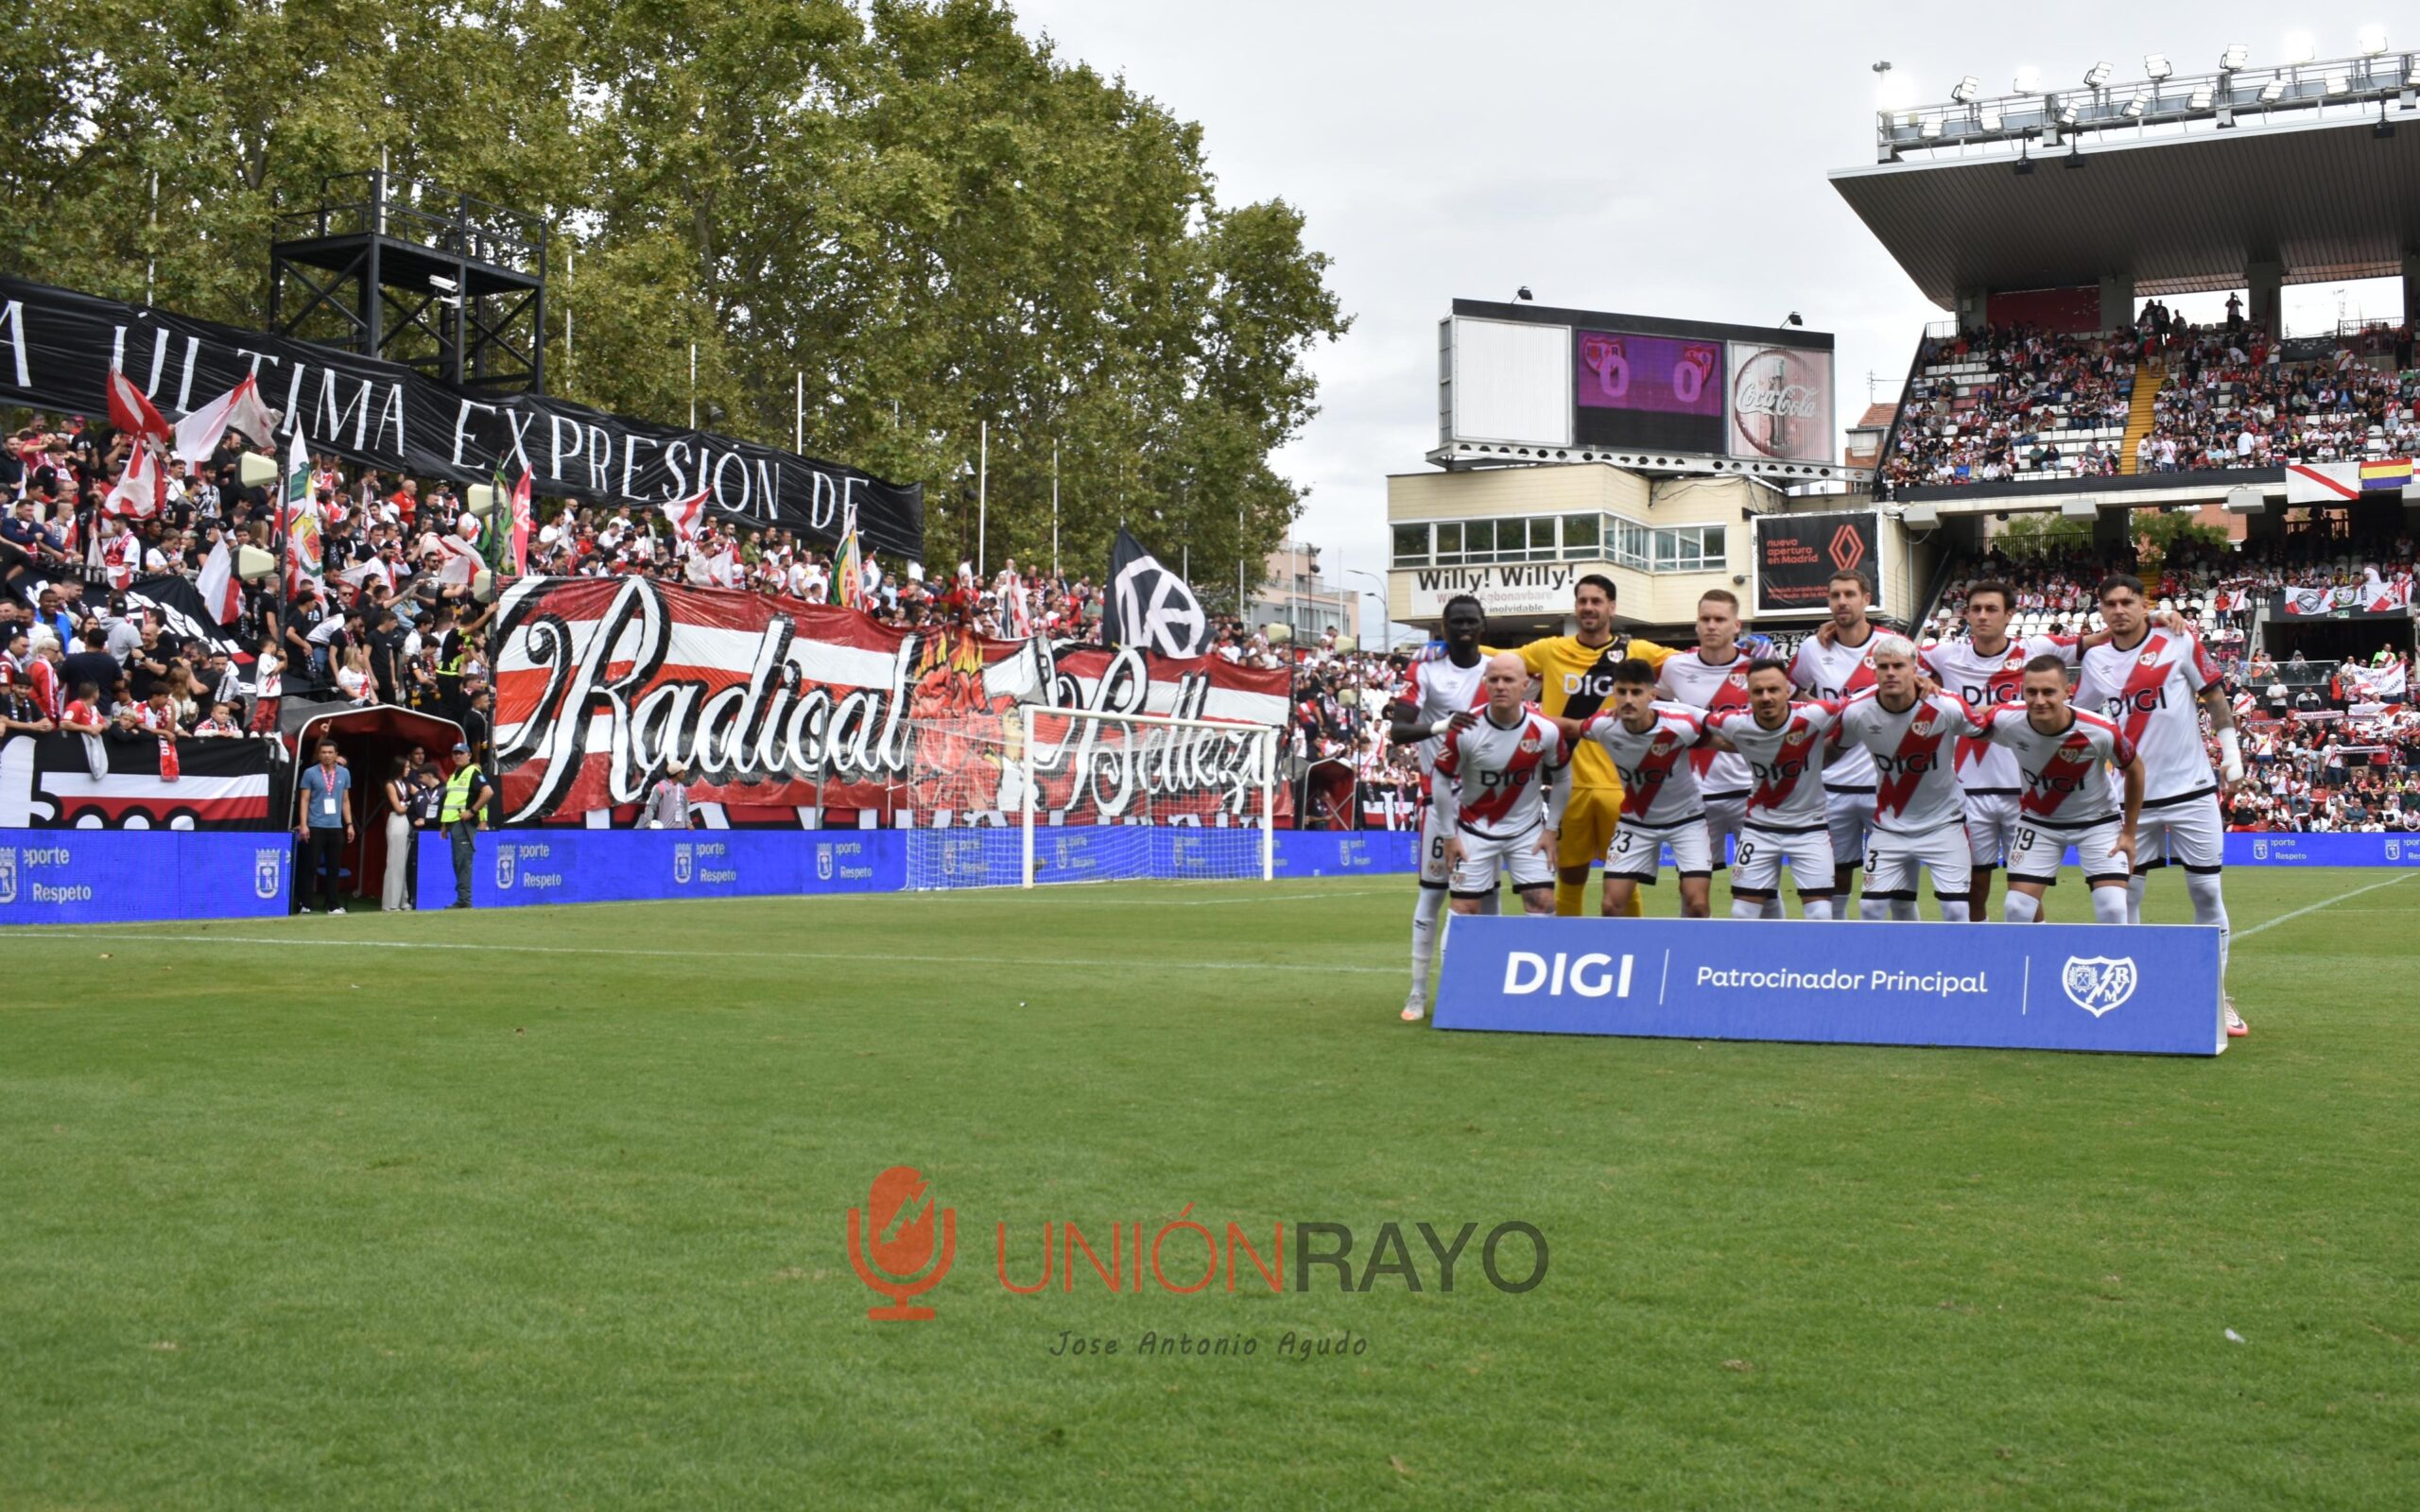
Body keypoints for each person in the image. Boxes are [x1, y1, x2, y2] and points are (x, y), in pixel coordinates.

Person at [2074, 573, 2247, 1036]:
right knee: (2125, 896)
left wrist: (2231, 756)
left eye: (2127, 601)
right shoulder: (2095, 660)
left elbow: (2214, 696)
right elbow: (2081, 721)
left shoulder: (2178, 640)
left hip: (2192, 791)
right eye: (2109, 603)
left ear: (2143, 604)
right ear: (2101, 610)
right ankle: (2132, 995)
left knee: (2206, 892)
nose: (2118, 610)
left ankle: (2217, 996)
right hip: (2129, 800)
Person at [1513, 575, 1675, 918]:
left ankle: (1631, 946)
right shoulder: (1550, 650)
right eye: (1582, 601)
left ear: (1612, 608)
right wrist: (1451, 649)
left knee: (1623, 882)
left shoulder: (1637, 651)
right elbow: (1500, 660)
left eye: (1596, 601)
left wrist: (1745, 652)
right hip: (1569, 787)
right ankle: (1567, 944)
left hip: (1622, 787)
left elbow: (1692, 665)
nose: (1588, 607)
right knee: (1570, 877)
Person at [1385, 594, 1491, 1021]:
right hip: (1439, 800)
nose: (1464, 628)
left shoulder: (1498, 671)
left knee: (1488, 897)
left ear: (1483, 626)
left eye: (1471, 621)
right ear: (1444, 627)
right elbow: (1398, 731)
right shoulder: (1426, 668)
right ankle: (1417, 992)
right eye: (1456, 622)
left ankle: (1485, 987)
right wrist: (1444, 725)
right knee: (1432, 895)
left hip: (1487, 805)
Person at [1830, 635, 1986, 921]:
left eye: (1898, 666)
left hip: (1944, 824)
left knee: (1955, 910)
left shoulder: (1946, 705)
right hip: (1889, 827)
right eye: (1883, 666)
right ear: (1874, 671)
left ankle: (1961, 954)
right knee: (1871, 909)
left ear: (1914, 670)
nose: (1890, 673)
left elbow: (1987, 727)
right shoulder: (1857, 711)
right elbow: (1834, 747)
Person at [1978, 656, 2143, 922]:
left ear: (2068, 692)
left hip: (2098, 823)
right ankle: (2038, 951)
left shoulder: (2101, 731)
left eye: (2048, 692)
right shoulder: (2009, 718)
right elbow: (1973, 714)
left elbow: (2135, 770)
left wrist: (2130, 833)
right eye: (2031, 692)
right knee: (2017, 909)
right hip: (2039, 822)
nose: (2039, 700)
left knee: (2113, 909)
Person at [1559, 659, 1714, 919]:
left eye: (1636, 692)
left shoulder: (1680, 725)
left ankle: (1692, 944)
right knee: (1611, 906)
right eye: (1622, 692)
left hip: (1687, 821)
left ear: (1652, 695)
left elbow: (1730, 742)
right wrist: (1521, 716)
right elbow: (1569, 727)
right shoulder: (1603, 725)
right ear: (1613, 694)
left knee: (1697, 904)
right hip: (1635, 823)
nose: (1628, 699)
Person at [1432, 652, 1569, 921]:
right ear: (1485, 683)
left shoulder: (1546, 729)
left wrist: (1552, 829)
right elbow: (1440, 779)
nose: (1500, 686)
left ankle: (1535, 952)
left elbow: (1563, 777)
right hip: (1475, 830)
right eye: (1493, 679)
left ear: (1525, 685)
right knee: (1464, 910)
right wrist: (1449, 835)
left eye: (1508, 679)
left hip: (1527, 831)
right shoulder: (1465, 728)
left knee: (1542, 903)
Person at [1702, 660, 1842, 919]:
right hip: (1760, 828)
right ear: (1748, 695)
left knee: (1820, 915)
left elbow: (1862, 704)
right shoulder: (1735, 723)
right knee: (1742, 913)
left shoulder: (1815, 715)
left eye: (1773, 689)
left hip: (1810, 828)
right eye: (1758, 691)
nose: (1766, 697)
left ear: (1788, 690)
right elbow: (1690, 721)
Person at [1652, 589, 1757, 905]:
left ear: (1736, 625)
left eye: (1720, 619)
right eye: (1705, 618)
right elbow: (1653, 708)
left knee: (1760, 890)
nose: (1712, 625)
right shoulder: (1675, 667)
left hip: (1750, 793)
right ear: (1696, 624)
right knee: (1693, 897)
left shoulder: (1756, 667)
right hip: (1695, 797)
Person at [1790, 568, 1883, 918]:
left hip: (1882, 784)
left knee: (1886, 883)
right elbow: (1789, 689)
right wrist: (1818, 710)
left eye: (1850, 594)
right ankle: (1839, 942)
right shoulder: (1812, 648)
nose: (1842, 601)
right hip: (1830, 783)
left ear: (1866, 599)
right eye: (1835, 595)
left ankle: (1891, 946)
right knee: (1836, 878)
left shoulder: (1891, 645)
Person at [295, 739, 354, 914]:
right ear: (319, 754)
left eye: (330, 752)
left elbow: (345, 800)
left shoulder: (344, 773)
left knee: (333, 868)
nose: (327, 755)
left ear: (336, 754)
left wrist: (349, 824)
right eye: (324, 752)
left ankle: (332, 905)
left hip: (335, 826)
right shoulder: (310, 773)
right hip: (315, 825)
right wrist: (304, 824)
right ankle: (305, 903)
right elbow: (304, 800)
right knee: (310, 866)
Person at [437, 742, 493, 908]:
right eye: (455, 753)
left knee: (463, 861)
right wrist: (444, 825)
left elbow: (488, 792)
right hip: (454, 823)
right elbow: (451, 801)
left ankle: (464, 900)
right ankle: (462, 898)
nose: (457, 756)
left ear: (469, 755)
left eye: (461, 753)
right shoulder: (454, 775)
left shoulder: (472, 772)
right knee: (458, 862)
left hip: (464, 823)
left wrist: (473, 811)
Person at [381, 756, 415, 912]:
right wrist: (412, 805)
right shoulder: (390, 784)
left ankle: (403, 901)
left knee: (404, 862)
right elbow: (398, 808)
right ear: (399, 768)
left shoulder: (407, 784)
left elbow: (421, 795)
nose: (409, 769)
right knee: (395, 862)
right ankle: (390, 903)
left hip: (407, 821)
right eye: (406, 767)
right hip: (396, 820)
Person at [643, 759, 694, 829]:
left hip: (680, 830)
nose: (684, 774)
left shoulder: (682, 788)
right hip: (665, 830)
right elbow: (651, 806)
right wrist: (648, 824)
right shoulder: (660, 787)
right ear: (677, 774)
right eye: (683, 772)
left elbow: (685, 808)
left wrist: (688, 823)